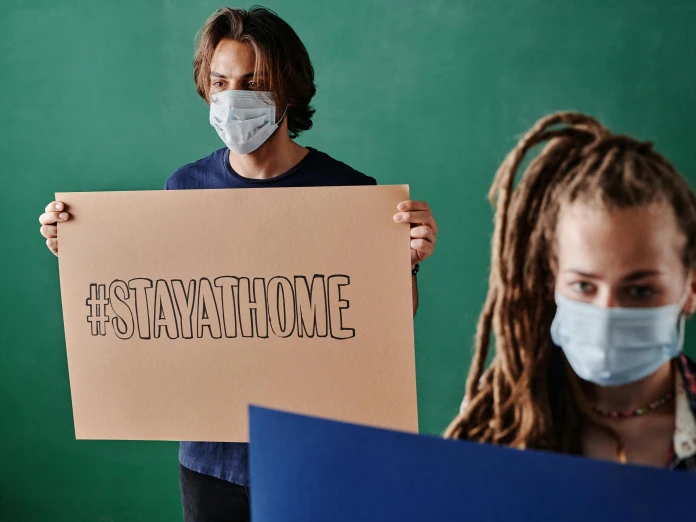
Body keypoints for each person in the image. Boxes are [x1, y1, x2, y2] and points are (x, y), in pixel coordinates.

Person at [38, 7, 438, 521]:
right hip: (210, 461)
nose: (234, 98)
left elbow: (383, 331)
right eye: (221, 81)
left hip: (318, 453)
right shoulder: (183, 189)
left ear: (289, 89)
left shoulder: (351, 196)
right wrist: (80, 249)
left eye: (254, 82)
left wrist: (403, 263)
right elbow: (157, 309)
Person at [446, 111, 696, 479]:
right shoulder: (495, 422)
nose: (607, 311)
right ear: (553, 278)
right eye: (584, 286)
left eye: (639, 290)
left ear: (693, 289)